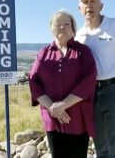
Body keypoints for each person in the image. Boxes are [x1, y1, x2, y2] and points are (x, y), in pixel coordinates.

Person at [75, 0, 115, 158]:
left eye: (93, 1)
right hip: (91, 93)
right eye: (85, 2)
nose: (89, 6)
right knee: (100, 143)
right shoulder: (79, 35)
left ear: (101, 5)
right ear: (79, 8)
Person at [28, 10, 97, 158]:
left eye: (66, 24)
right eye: (57, 24)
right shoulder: (43, 53)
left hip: (77, 118)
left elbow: (89, 81)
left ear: (73, 29)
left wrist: (63, 105)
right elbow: (33, 80)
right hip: (53, 118)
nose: (62, 27)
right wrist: (52, 107)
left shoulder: (83, 51)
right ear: (51, 28)